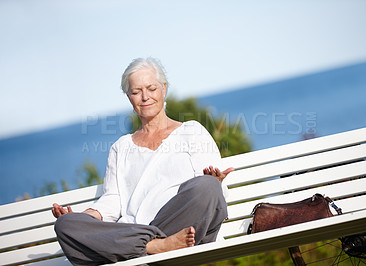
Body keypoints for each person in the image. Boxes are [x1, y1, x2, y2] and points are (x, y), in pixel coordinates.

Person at [52, 57, 234, 265]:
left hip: (185, 228)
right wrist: (86, 217)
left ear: (163, 89)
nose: (145, 97)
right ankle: (155, 246)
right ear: (129, 97)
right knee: (66, 225)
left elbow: (213, 197)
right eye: (136, 92)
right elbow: (113, 201)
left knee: (208, 186)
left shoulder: (192, 131)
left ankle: (142, 247)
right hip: (138, 229)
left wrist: (217, 183)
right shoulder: (121, 147)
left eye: (151, 88)